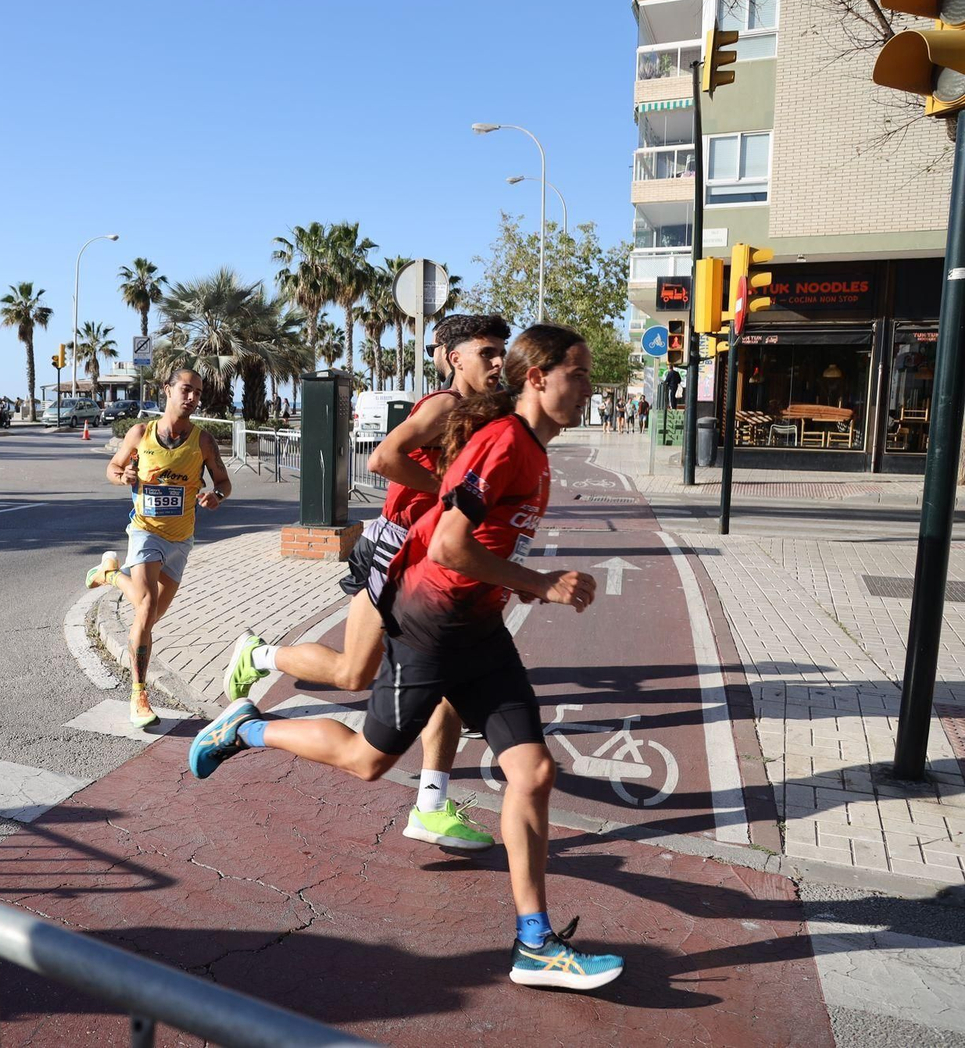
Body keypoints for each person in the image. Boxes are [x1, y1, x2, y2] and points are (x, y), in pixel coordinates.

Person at [189, 325, 624, 992]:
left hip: (479, 633)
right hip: (429, 628)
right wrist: (539, 583)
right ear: (539, 378)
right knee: (367, 760)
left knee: (533, 772)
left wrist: (514, 584)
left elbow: (475, 536)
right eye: (581, 373)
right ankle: (246, 728)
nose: (590, 388)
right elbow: (448, 544)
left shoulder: (533, 449)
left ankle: (534, 943)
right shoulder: (505, 441)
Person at [220, 314, 512, 850]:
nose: (498, 361)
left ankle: (431, 805)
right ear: (455, 359)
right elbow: (383, 459)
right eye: (487, 352)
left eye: (502, 352)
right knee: (354, 674)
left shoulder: (483, 414)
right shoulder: (444, 406)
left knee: (441, 677)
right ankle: (258, 660)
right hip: (393, 549)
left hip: (429, 561)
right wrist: (450, 492)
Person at [85, 369, 232, 728]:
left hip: (181, 539)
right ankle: (138, 695)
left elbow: (224, 481)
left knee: (149, 615)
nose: (192, 398)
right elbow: (113, 467)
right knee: (147, 607)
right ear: (167, 390)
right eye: (186, 390)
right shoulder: (141, 433)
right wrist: (122, 476)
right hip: (145, 532)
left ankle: (109, 575)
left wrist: (217, 495)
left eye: (198, 393)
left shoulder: (203, 441)